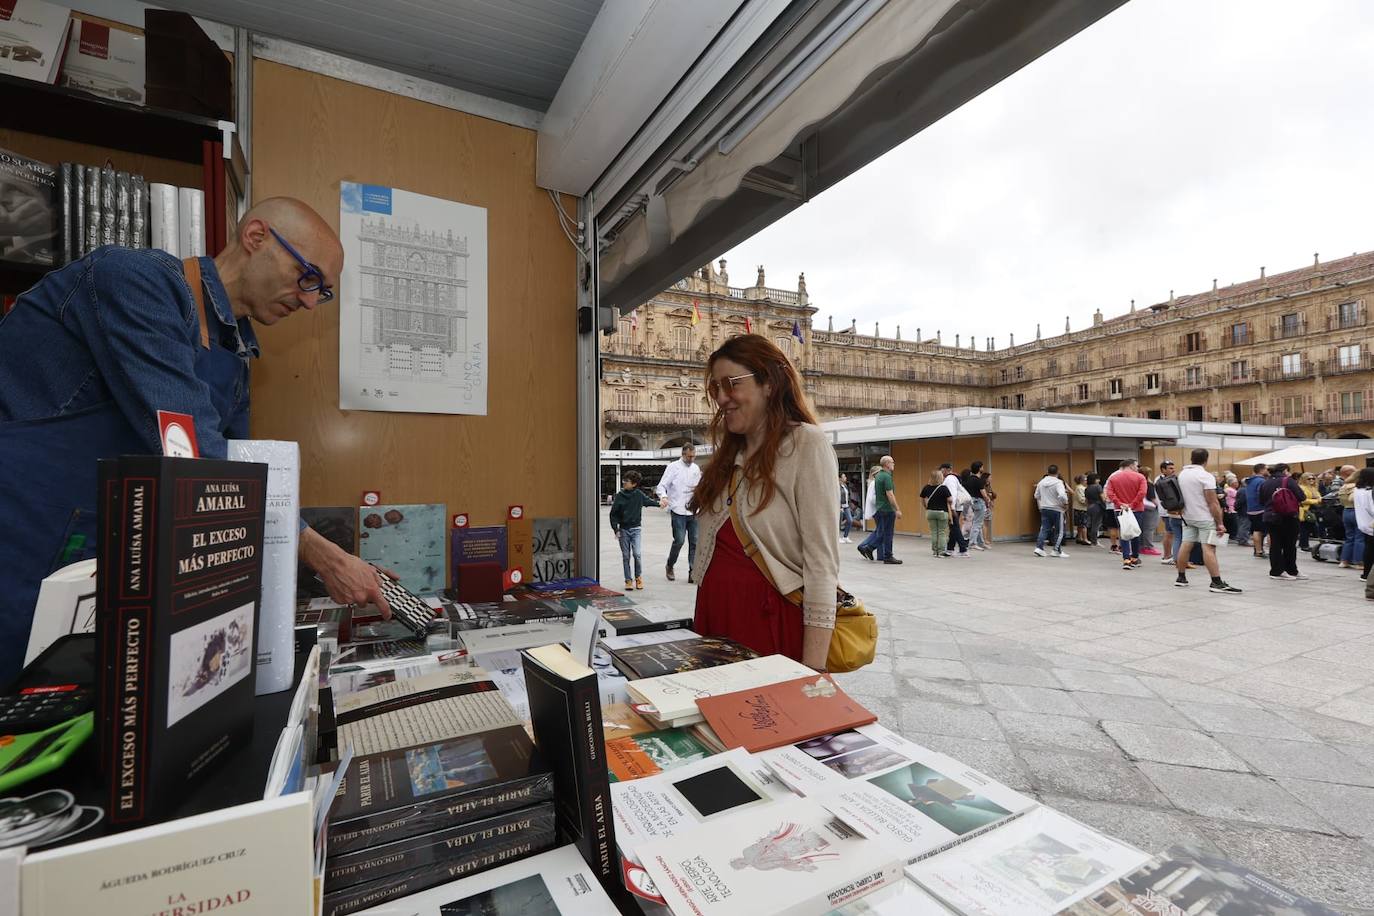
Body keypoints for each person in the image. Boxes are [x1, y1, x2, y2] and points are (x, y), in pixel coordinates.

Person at [0, 197, 390, 681]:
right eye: (307, 276)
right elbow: (195, 450)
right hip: (24, 536)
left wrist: (325, 559)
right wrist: (321, 553)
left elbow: (241, 474)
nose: (310, 300)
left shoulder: (235, 349)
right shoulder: (133, 280)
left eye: (322, 292)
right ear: (256, 238)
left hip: (108, 554)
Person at [689, 335, 840, 669]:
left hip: (767, 624)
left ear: (769, 383)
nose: (722, 398)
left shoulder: (806, 444)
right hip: (715, 616)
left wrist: (814, 668)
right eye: (715, 388)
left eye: (731, 384)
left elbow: (821, 564)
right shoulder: (730, 454)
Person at [1173, 449, 1242, 593]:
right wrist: (1220, 523)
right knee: (1209, 548)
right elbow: (1213, 502)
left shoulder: (1182, 474)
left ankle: (1181, 577)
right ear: (1206, 459)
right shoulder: (1205, 476)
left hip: (1187, 516)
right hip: (1204, 517)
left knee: (1186, 545)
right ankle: (1216, 582)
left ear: (1191, 458)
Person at [609, 470, 667, 589]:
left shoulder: (638, 495)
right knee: (626, 556)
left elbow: (648, 501)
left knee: (637, 554)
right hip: (623, 530)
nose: (624, 482)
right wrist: (616, 529)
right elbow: (613, 514)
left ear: (634, 484)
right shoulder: (620, 496)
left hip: (636, 529)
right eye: (624, 480)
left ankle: (638, 577)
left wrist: (659, 504)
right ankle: (628, 580)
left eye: (627, 481)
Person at [656, 443, 702, 582]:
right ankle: (670, 565)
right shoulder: (673, 467)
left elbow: (699, 487)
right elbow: (661, 486)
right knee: (679, 541)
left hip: (693, 510)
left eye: (694, 456)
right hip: (677, 510)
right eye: (689, 456)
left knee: (694, 542)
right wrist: (663, 497)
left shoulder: (696, 468)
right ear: (683, 454)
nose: (692, 459)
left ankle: (692, 572)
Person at [1259, 463, 1307, 581]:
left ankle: (1277, 570)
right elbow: (1302, 497)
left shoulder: (1265, 482)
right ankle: (1291, 570)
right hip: (1288, 516)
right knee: (1290, 545)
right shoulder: (1288, 481)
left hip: (1270, 516)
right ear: (1286, 470)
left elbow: (1261, 500)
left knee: (1275, 544)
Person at [1105, 458, 1147, 569]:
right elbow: (1142, 492)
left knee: (1123, 533)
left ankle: (1126, 559)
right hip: (1136, 509)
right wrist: (1132, 504)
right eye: (1136, 466)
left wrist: (1119, 503)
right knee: (1135, 533)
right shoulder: (1140, 477)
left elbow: (1109, 493)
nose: (1137, 468)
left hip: (1120, 509)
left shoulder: (1113, 478)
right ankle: (1134, 557)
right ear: (1131, 465)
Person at [1033, 465, 1069, 558]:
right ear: (1058, 472)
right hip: (1057, 509)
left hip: (1045, 508)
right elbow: (1062, 495)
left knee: (1044, 529)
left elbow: (1036, 495)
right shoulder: (1058, 482)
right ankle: (1056, 550)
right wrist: (1065, 504)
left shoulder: (1041, 482)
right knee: (1059, 530)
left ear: (1047, 471)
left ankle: (1039, 548)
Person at [873, 455, 903, 564]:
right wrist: (897, 509)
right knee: (888, 533)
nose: (894, 464)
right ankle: (888, 555)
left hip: (880, 507)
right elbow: (890, 494)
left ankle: (869, 547)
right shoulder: (886, 476)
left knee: (882, 532)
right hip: (887, 508)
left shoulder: (878, 476)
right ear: (886, 464)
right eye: (892, 462)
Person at [1156, 461, 1184, 565]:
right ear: (1163, 470)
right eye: (1170, 468)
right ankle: (1167, 555)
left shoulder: (1163, 480)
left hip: (1168, 511)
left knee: (1172, 534)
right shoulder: (1164, 481)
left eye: (1173, 468)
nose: (1173, 470)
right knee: (1170, 534)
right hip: (1169, 512)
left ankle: (1170, 555)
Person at [940, 462, 970, 557]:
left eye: (942, 470)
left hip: (953, 507)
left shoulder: (950, 479)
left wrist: (952, 509)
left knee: (955, 528)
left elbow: (952, 494)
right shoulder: (954, 478)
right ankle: (950, 549)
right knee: (953, 528)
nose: (941, 472)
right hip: (956, 507)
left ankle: (963, 549)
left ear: (946, 469)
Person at [920, 470, 952, 558]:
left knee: (934, 532)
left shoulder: (926, 487)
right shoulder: (943, 488)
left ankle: (935, 551)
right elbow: (950, 499)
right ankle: (941, 551)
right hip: (942, 512)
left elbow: (922, 499)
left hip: (930, 512)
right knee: (941, 532)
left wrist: (926, 507)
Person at [1339, 465, 1365, 568]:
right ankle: (1359, 562)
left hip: (1346, 511)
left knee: (1349, 537)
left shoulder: (1343, 486)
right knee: (1360, 538)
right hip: (1356, 511)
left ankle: (1344, 561)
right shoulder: (1357, 487)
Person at [1244, 464, 1270, 558]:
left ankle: (1257, 550)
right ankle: (1259, 551)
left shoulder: (1250, 481)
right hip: (1260, 508)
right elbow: (1262, 494)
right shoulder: (1261, 481)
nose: (1268, 471)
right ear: (1262, 470)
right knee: (1261, 531)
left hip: (1251, 508)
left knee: (1256, 529)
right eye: (1267, 469)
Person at [856, 465, 882, 560]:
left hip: (876, 510)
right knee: (880, 532)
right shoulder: (875, 483)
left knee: (879, 531)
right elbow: (873, 498)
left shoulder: (872, 482)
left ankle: (880, 554)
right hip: (878, 510)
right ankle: (864, 546)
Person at [963, 460, 989, 551]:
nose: (983, 468)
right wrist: (988, 501)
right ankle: (973, 543)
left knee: (977, 522)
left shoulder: (968, 479)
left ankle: (981, 542)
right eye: (982, 467)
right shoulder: (979, 480)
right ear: (979, 468)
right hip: (979, 502)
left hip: (971, 502)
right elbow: (984, 494)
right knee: (977, 523)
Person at [1354, 468, 1374, 586]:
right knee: (1370, 550)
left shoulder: (1357, 489)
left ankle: (1366, 574)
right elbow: (1372, 508)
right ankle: (1367, 574)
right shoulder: (1369, 491)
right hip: (1371, 522)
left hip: (1363, 522)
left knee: (1369, 548)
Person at [1138, 466, 1161, 556]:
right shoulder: (1148, 484)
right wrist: (1159, 505)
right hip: (1150, 508)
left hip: (1141, 507)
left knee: (1142, 528)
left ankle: (1140, 546)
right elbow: (1152, 497)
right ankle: (1148, 547)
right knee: (1149, 528)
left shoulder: (1138, 483)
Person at [1298, 472, 1322, 550]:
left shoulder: (1313, 487)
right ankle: (1304, 545)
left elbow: (1319, 497)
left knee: (1309, 528)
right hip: (1305, 510)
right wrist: (1315, 501)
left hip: (1313, 509)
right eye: (1309, 478)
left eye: (1313, 478)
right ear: (1304, 479)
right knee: (1305, 528)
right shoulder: (1301, 488)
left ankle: (1304, 544)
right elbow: (1302, 500)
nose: (1311, 480)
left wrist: (1319, 500)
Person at [1084, 473, 1105, 546]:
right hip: (1097, 506)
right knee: (1096, 525)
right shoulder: (1098, 487)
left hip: (1090, 506)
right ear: (1094, 480)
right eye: (1097, 479)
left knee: (1091, 524)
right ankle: (1094, 541)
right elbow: (1103, 497)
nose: (1099, 480)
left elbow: (1086, 500)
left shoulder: (1087, 488)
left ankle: (1091, 540)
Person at [1071, 474, 1089, 545]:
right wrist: (1088, 502)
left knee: (1080, 524)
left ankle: (1079, 537)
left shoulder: (1078, 487)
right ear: (1082, 480)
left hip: (1078, 508)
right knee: (1084, 524)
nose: (1086, 481)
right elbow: (1082, 499)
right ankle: (1085, 539)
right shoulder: (1081, 488)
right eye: (1085, 479)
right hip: (1082, 508)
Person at [980, 470, 996, 546]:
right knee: (983, 523)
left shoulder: (989, 485)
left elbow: (993, 495)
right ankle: (984, 539)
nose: (991, 479)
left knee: (986, 523)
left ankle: (984, 539)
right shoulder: (983, 486)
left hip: (988, 506)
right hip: (985, 506)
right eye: (990, 477)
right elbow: (985, 496)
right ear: (986, 478)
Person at [838, 473, 855, 543]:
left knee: (850, 520)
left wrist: (850, 503)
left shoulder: (845, 485)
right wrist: (839, 506)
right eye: (844, 476)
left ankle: (845, 536)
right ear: (839, 478)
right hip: (840, 506)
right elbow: (838, 496)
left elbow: (847, 496)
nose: (846, 478)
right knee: (839, 522)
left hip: (846, 506)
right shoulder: (837, 486)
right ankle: (837, 537)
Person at [1223, 473, 1239, 542]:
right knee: (1233, 524)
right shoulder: (1230, 490)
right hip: (1231, 509)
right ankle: (1232, 536)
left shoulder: (1231, 489)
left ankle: (1231, 536)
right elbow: (1238, 496)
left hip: (1230, 509)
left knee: (1230, 523)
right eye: (1236, 482)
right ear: (1232, 483)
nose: (1237, 483)